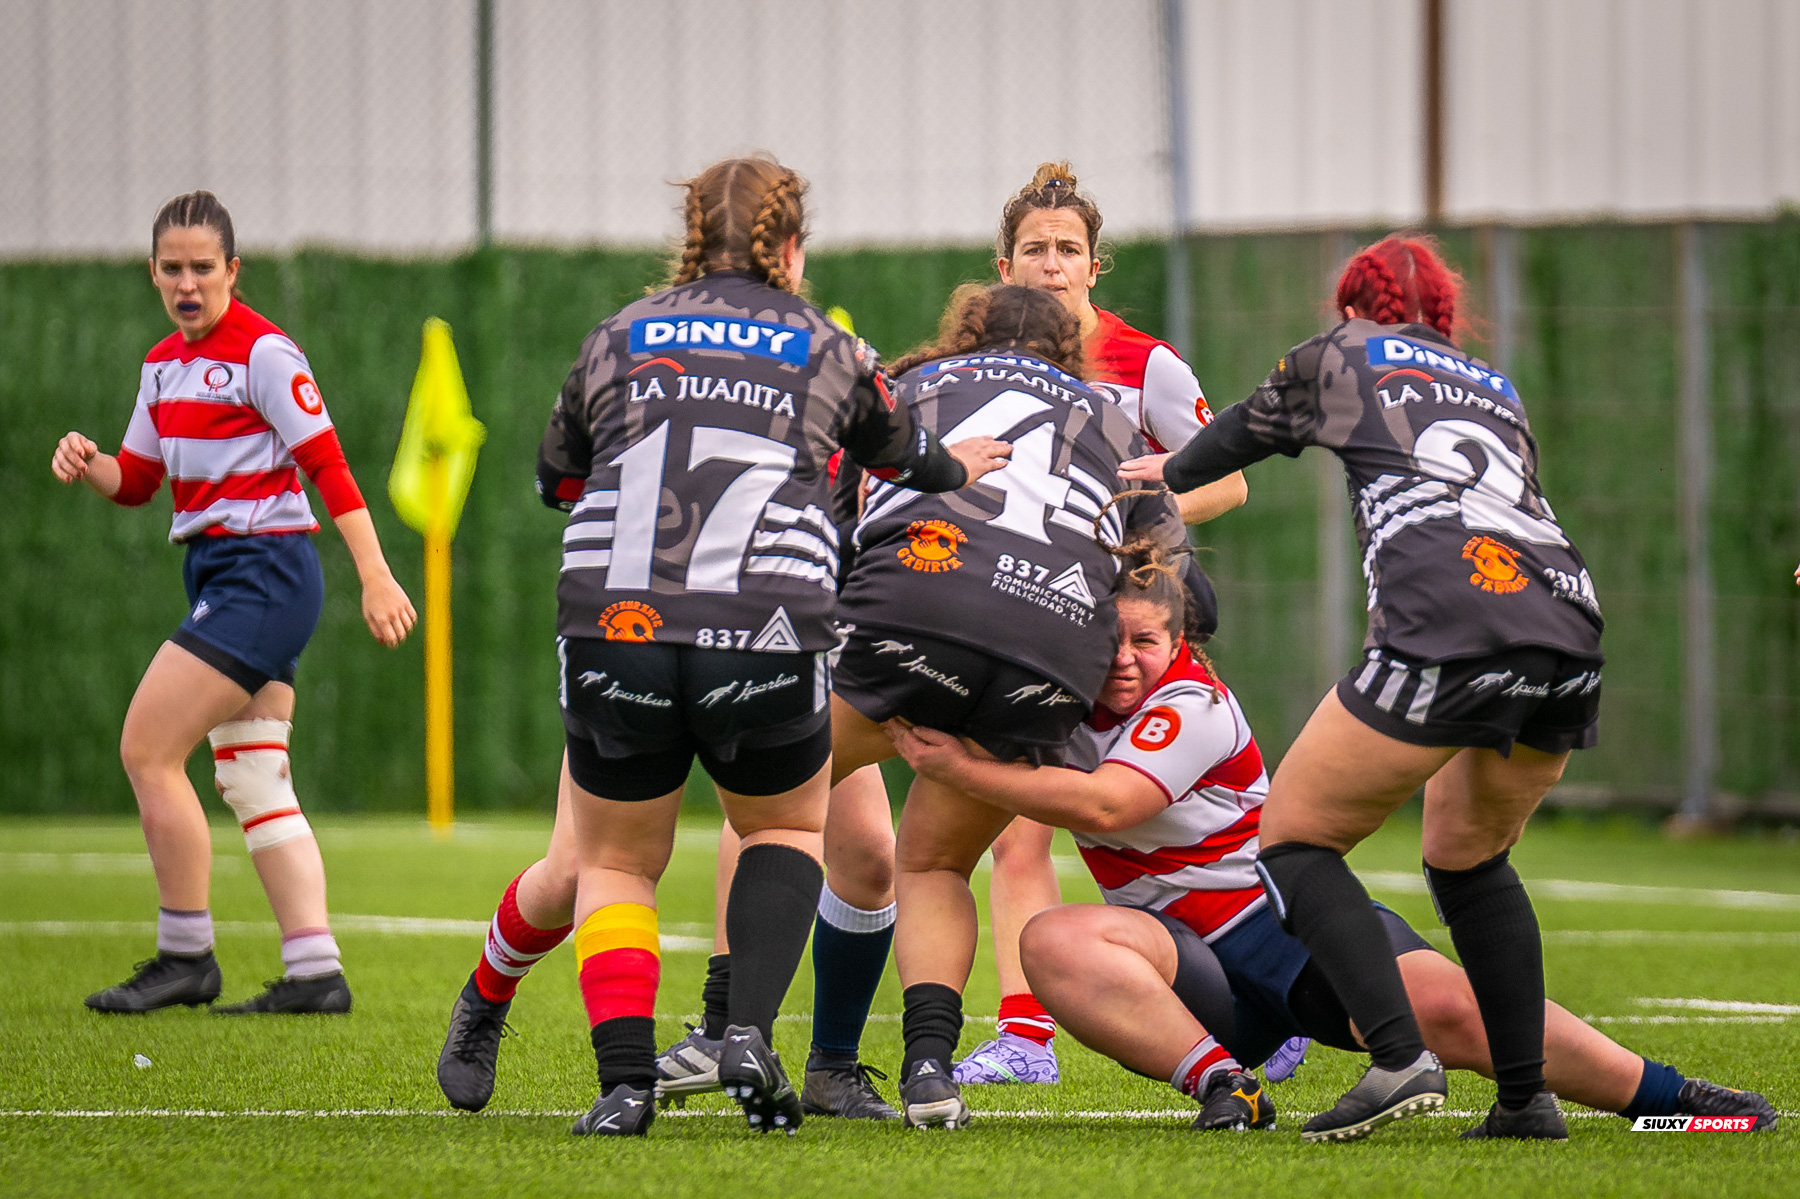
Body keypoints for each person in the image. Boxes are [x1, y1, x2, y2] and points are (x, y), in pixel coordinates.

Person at [890, 541, 1778, 1135]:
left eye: (1146, 640)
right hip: (1192, 966)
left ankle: (1674, 1100)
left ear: (1183, 640)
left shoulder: (1193, 701)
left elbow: (1110, 806)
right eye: (1108, 639)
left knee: (1458, 1016)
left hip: (1284, 932)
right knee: (1055, 940)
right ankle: (1223, 1085)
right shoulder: (1066, 697)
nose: (1124, 658)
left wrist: (959, 765)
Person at [534, 156, 1008, 1139]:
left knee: (618, 861)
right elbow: (898, 449)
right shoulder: (825, 343)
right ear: (791, 247)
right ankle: (746, 1029)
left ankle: (624, 1084)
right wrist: (956, 462)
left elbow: (556, 478)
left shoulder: (618, 333)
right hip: (767, 622)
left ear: (687, 239)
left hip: (615, 618)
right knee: (786, 830)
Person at [1121, 234, 1606, 1141]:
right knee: (1470, 859)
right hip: (1568, 621)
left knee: (1296, 840)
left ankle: (1398, 1058)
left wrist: (1167, 472)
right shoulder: (1490, 382)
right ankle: (1525, 1100)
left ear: (1351, 305)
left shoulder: (1343, 350)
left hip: (1453, 616)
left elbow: (1244, 429)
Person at [819, 281, 1191, 1128]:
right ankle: (927, 1070)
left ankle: (750, 1035)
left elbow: (831, 524)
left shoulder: (910, 387)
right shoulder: (1113, 417)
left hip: (915, 615)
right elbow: (1158, 566)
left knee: (772, 807)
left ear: (965, 335)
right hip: (1047, 659)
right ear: (1070, 351)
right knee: (931, 863)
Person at [51, 191, 415, 1016]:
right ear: (152, 272)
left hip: (267, 575)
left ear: (232, 271)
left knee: (147, 749)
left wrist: (377, 573)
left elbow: (329, 465)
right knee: (253, 776)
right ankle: (316, 970)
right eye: (172, 268)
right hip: (221, 574)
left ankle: (185, 953)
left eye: (203, 268)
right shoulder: (159, 366)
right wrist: (90, 459)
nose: (188, 283)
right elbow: (138, 482)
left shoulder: (264, 354)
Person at [955, 161, 1246, 1088]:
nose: (1050, 265)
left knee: (1180, 817)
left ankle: (1260, 996)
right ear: (1004, 267)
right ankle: (1025, 1036)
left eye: (1067, 250)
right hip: (1027, 613)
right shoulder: (978, 372)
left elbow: (1228, 480)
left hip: (1128, 615)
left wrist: (1138, 514)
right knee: (1020, 824)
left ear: (1093, 268)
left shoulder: (1147, 363)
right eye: (1034, 250)